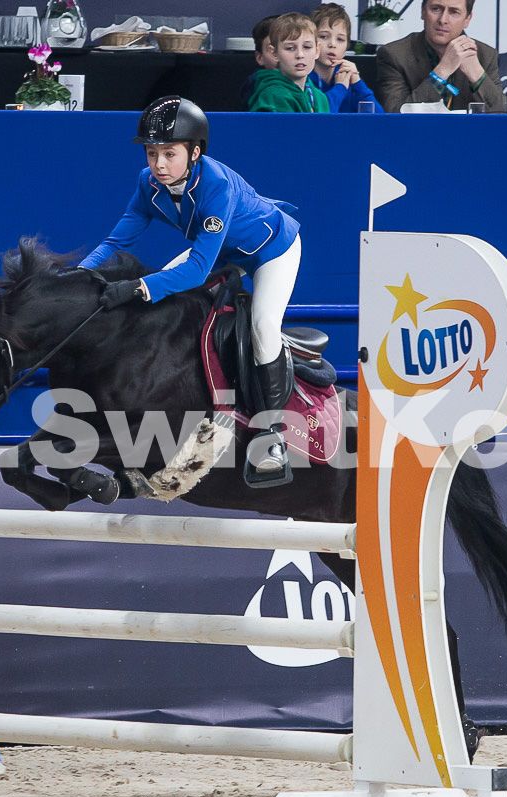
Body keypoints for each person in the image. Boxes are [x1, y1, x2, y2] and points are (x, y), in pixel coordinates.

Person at [80, 96, 303, 486]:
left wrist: (136, 287)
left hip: (271, 250)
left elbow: (198, 270)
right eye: (152, 153)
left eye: (170, 154)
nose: (159, 164)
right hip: (221, 249)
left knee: (264, 326)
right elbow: (117, 240)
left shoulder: (216, 185)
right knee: (164, 301)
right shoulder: (148, 183)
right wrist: (80, 274)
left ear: (195, 152)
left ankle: (271, 435)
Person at [375, 0, 505, 114]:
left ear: (467, 19)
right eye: (436, 9)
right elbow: (395, 115)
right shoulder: (394, 55)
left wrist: (477, 75)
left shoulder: (485, 55)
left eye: (454, 12)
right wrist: (442, 71)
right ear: (423, 12)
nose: (443, 20)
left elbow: (503, 116)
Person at [247, 12, 329, 114]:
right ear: (274, 53)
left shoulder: (320, 97)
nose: (300, 55)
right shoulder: (273, 96)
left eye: (307, 47)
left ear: (317, 50)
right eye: (290, 48)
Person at [309, 3, 382, 113]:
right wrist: (341, 87)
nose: (332, 44)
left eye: (340, 39)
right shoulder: (302, 78)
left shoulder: (349, 78)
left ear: (346, 47)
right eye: (323, 37)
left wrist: (358, 83)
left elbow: (378, 118)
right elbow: (320, 117)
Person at [238, 14, 277, 110]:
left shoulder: (309, 85)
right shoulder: (270, 93)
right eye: (273, 49)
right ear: (260, 57)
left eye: (290, 48)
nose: (282, 54)